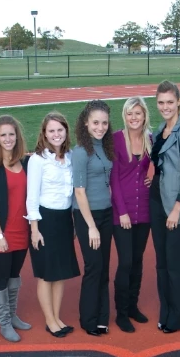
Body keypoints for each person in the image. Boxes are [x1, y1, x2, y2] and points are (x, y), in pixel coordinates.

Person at [150, 80, 180, 334]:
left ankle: (177, 316)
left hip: (176, 206)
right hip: (157, 199)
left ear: (179, 102)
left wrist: (178, 209)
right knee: (161, 262)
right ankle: (165, 311)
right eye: (161, 102)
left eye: (170, 102)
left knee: (174, 263)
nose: (165, 107)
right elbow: (162, 162)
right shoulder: (161, 128)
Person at [27, 112, 79, 337]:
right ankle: (49, 320)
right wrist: (35, 229)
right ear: (44, 134)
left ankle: (57, 317)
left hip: (64, 219)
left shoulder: (70, 157)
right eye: (51, 131)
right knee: (47, 274)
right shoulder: (38, 160)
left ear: (66, 131)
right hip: (45, 221)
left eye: (60, 130)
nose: (56, 134)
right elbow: (31, 197)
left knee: (60, 273)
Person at [0, 115, 33, 343]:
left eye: (11, 134)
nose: (8, 138)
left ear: (17, 136)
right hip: (2, 233)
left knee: (15, 275)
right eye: (3, 135)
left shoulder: (27, 162)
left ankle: (12, 315)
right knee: (1, 277)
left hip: (23, 230)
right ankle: (3, 322)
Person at [71, 100, 116, 336]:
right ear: (86, 123)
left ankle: (102, 316)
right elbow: (79, 192)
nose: (100, 127)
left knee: (104, 267)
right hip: (87, 216)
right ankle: (88, 319)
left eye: (104, 123)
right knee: (93, 267)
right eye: (95, 122)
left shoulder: (105, 146)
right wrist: (91, 227)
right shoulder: (80, 151)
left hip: (106, 212)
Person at [110, 96, 152, 333]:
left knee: (137, 261)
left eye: (138, 113)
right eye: (129, 113)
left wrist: (152, 178)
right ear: (124, 116)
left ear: (144, 115)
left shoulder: (150, 139)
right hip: (122, 212)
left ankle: (134, 306)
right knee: (125, 262)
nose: (134, 118)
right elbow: (114, 179)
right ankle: (122, 313)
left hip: (143, 209)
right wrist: (122, 212)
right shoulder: (116, 139)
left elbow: (152, 168)